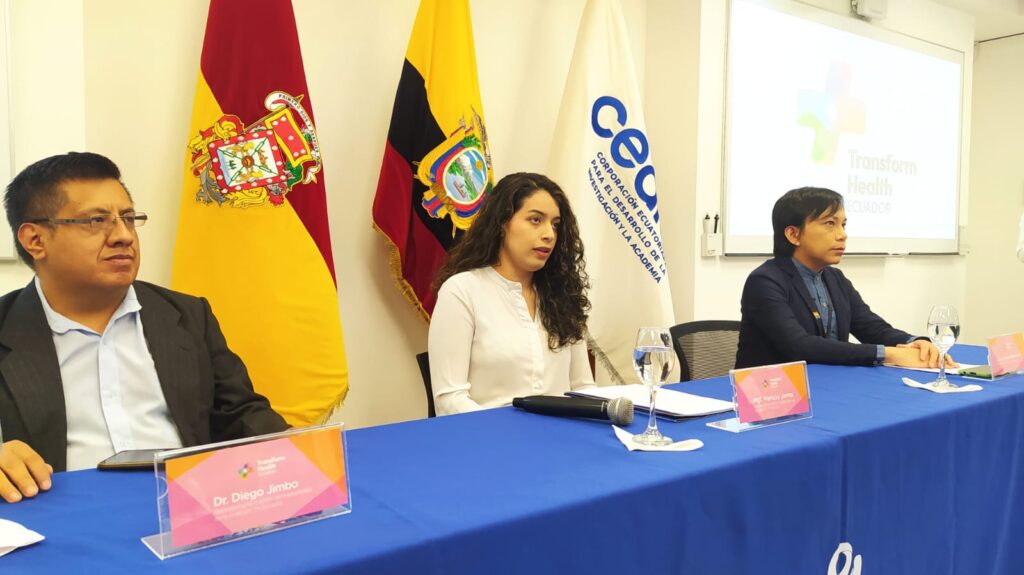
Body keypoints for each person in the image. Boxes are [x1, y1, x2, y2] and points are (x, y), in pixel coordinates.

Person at [0, 152, 288, 503]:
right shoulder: (7, 327)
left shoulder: (186, 315)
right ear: (35, 240)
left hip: (189, 508)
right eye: (96, 221)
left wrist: (298, 454)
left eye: (128, 218)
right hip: (62, 519)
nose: (123, 236)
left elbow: (241, 414)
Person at [428, 172, 594, 415]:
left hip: (561, 434)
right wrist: (504, 434)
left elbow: (582, 387)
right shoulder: (462, 291)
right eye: (535, 220)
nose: (549, 234)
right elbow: (450, 399)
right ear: (502, 223)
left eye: (555, 225)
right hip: (487, 435)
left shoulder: (562, 294)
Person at [736, 186, 952, 369]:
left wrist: (916, 343)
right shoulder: (765, 281)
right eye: (830, 223)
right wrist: (888, 354)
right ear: (793, 234)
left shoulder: (834, 278)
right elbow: (799, 346)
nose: (842, 234)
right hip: (773, 395)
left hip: (830, 384)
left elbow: (871, 328)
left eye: (843, 225)